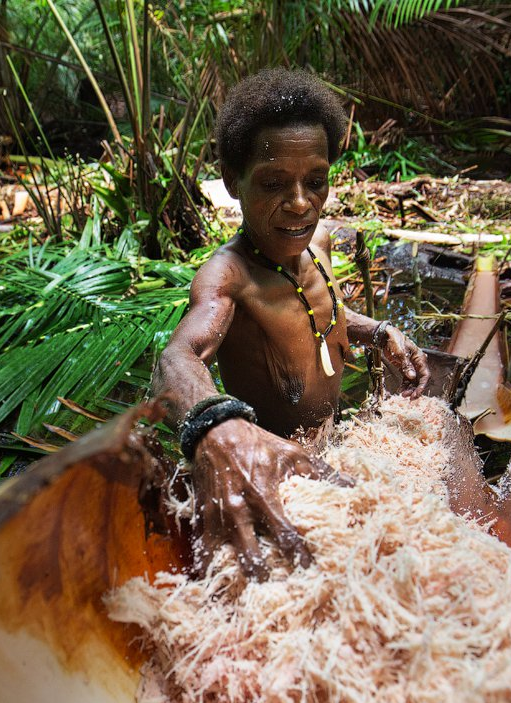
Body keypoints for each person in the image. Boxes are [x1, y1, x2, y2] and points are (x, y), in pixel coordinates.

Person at [152, 68, 430, 580]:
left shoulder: (317, 243)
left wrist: (380, 334)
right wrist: (217, 429)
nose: (301, 203)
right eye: (275, 183)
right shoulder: (228, 277)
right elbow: (175, 359)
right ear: (233, 181)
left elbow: (325, 317)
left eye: (316, 181)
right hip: (280, 476)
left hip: (341, 449)